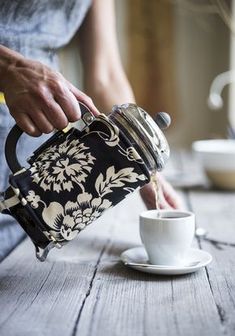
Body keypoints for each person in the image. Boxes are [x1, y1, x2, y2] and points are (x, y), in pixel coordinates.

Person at [0, 0, 182, 256]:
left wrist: (142, 160)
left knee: (23, 243)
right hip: (21, 96)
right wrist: (8, 68)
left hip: (35, 131)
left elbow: (105, 76)